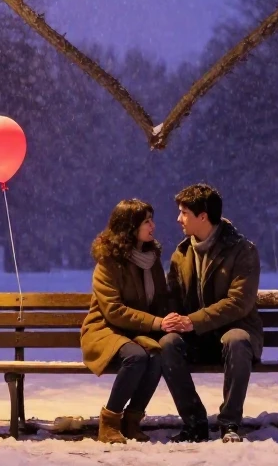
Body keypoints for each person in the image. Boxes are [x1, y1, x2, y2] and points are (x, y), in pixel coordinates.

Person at [159, 183, 263, 443]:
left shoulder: (242, 250)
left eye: (184, 213)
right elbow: (173, 298)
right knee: (168, 344)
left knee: (236, 340)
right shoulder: (181, 255)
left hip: (235, 332)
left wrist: (192, 321)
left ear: (203, 216)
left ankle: (229, 424)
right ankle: (194, 423)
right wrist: (170, 318)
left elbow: (239, 302)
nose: (178, 219)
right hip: (197, 338)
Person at [80, 198, 172, 444]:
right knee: (137, 356)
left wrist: (173, 318)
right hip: (106, 329)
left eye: (152, 220)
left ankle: (131, 421)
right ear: (129, 227)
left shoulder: (151, 259)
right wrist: (156, 323)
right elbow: (114, 311)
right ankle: (109, 421)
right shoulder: (108, 263)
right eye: (146, 222)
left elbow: (160, 299)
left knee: (157, 355)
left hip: (135, 331)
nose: (153, 226)